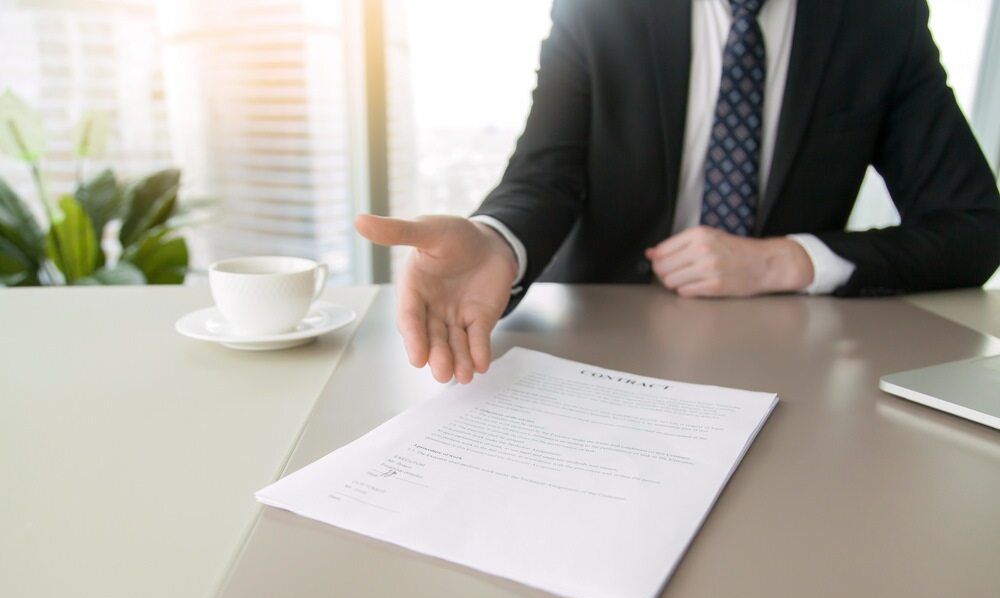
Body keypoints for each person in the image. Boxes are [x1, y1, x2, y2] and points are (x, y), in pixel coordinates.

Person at [355, 0, 1000, 384]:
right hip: (599, 349)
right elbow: (546, 174)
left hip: (789, 356)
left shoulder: (879, 19)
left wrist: (789, 258)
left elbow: (975, 225)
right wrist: (497, 241)